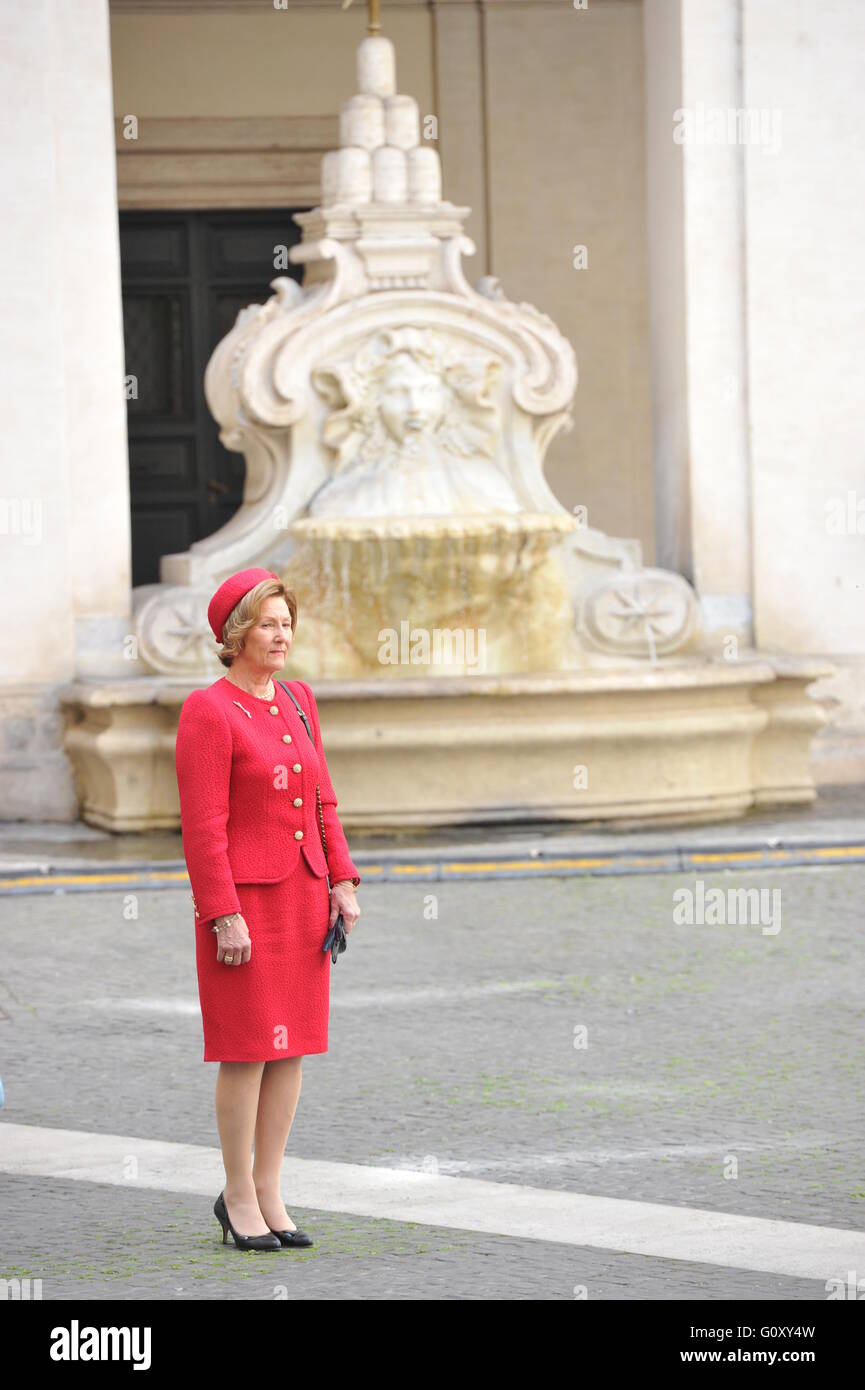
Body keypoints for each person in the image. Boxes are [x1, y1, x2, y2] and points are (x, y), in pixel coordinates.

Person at [174, 566, 361, 1251]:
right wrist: (221, 913)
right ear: (236, 634)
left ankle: (270, 1188)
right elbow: (203, 828)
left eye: (287, 624)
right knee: (248, 1051)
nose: (282, 636)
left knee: (292, 1051)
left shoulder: (300, 699)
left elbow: (322, 801)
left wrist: (342, 880)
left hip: (304, 897)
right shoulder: (208, 711)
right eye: (268, 625)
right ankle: (237, 1195)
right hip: (245, 906)